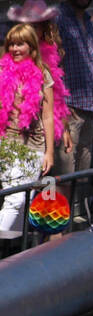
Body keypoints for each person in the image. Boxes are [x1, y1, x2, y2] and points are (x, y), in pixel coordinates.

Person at [0, 23, 56, 239]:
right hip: (9, 145)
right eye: (11, 44)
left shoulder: (43, 74)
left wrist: (49, 151)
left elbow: (48, 116)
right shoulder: (2, 72)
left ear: (31, 47)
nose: (15, 49)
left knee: (26, 196)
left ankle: (10, 254)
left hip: (35, 146)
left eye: (20, 44)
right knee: (15, 199)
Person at [54, 0, 93, 190]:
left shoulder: (89, 21)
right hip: (68, 110)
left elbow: (91, 65)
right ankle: (61, 224)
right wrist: (59, 109)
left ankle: (79, 223)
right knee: (65, 177)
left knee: (83, 177)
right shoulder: (58, 19)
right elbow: (51, 67)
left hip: (88, 109)